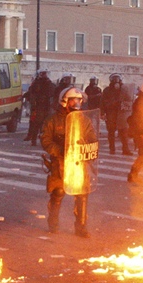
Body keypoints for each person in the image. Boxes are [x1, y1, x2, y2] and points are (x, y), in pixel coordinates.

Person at [41, 87, 95, 238]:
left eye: (79, 100)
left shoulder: (84, 119)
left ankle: (81, 227)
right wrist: (59, 151)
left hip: (78, 162)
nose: (77, 103)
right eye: (73, 100)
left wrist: (88, 148)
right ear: (65, 101)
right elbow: (45, 140)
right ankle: (53, 223)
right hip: (60, 162)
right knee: (58, 192)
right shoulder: (53, 119)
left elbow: (92, 137)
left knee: (82, 193)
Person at [101, 73, 132, 155]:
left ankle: (125, 149)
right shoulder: (107, 90)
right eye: (114, 79)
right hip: (111, 113)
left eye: (117, 79)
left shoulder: (124, 89)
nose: (116, 81)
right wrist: (103, 112)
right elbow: (103, 102)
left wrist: (122, 104)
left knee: (124, 133)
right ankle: (112, 149)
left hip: (121, 114)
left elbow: (129, 100)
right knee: (111, 132)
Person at [25, 68, 55, 146]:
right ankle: (33, 139)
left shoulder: (49, 83)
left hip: (47, 106)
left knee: (46, 124)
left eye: (45, 74)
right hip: (38, 107)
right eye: (43, 74)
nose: (44, 75)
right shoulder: (36, 83)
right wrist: (34, 106)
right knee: (37, 123)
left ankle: (44, 139)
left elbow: (53, 92)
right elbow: (32, 95)